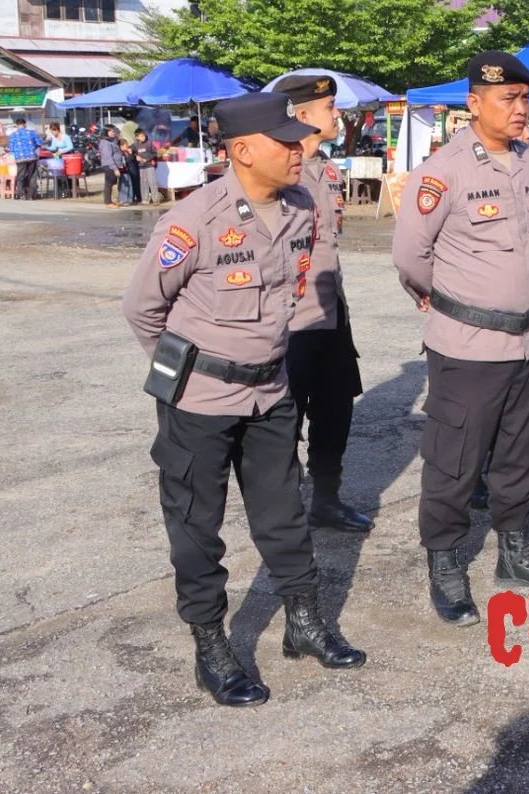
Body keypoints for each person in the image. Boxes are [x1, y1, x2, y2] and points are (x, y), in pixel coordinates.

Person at [123, 91, 365, 707]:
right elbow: (144, 309)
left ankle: (303, 623)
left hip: (271, 390)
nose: (297, 148)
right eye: (284, 141)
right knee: (196, 526)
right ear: (242, 150)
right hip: (199, 400)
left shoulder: (302, 205)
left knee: (284, 514)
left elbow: (292, 291)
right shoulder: (194, 219)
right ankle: (211, 644)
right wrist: (195, 367)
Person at [393, 50, 529, 629]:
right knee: (454, 462)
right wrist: (447, 299)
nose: (521, 110)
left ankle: (514, 553)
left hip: (524, 341)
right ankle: (446, 565)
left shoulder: (527, 160)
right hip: (467, 345)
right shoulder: (443, 171)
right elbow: (410, 256)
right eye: (508, 99)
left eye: (526, 100)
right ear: (474, 104)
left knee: (520, 455)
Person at [274, 74, 371, 534]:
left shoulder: (327, 169)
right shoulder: (278, 170)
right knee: (282, 419)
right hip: (291, 318)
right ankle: (284, 511)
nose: (337, 114)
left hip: (331, 311)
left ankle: (326, 500)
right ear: (302, 115)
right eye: (330, 107)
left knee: (335, 410)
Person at [7, 115, 44, 201]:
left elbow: (11, 149)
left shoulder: (12, 135)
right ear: (25, 124)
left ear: (16, 125)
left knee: (20, 176)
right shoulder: (32, 133)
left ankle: (21, 195)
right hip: (31, 157)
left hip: (20, 158)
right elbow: (39, 143)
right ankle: (31, 195)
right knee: (32, 176)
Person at [99, 125, 125, 208]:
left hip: (115, 164)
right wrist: (115, 168)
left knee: (113, 183)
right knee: (109, 184)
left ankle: (111, 200)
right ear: (106, 132)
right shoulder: (105, 142)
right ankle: (108, 203)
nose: (113, 133)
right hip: (110, 165)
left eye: (114, 131)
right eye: (111, 131)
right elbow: (108, 157)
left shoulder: (112, 141)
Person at [133, 128, 160, 205]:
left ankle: (156, 200)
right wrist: (136, 156)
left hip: (149, 165)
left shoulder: (149, 143)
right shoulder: (136, 144)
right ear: (137, 137)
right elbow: (133, 152)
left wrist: (147, 159)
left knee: (152, 182)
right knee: (143, 183)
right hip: (141, 166)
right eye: (141, 136)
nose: (143, 137)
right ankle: (145, 199)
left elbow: (155, 153)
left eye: (143, 135)